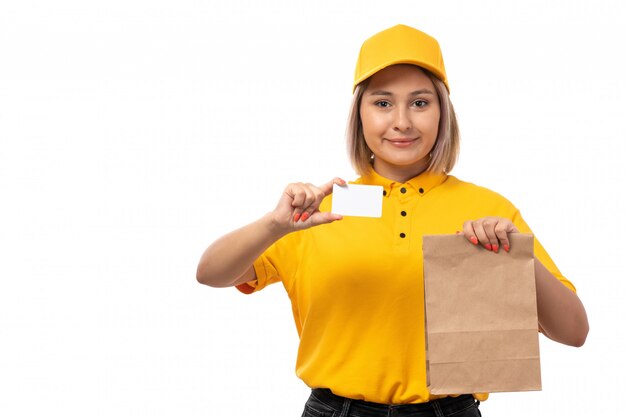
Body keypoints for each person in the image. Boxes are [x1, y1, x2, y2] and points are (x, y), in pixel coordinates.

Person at [196, 24, 589, 417]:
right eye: (383, 103)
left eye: (420, 103)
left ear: (442, 113)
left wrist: (513, 253)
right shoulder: (317, 212)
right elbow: (210, 273)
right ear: (360, 114)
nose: (401, 121)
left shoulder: (489, 210)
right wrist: (275, 226)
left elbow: (573, 332)